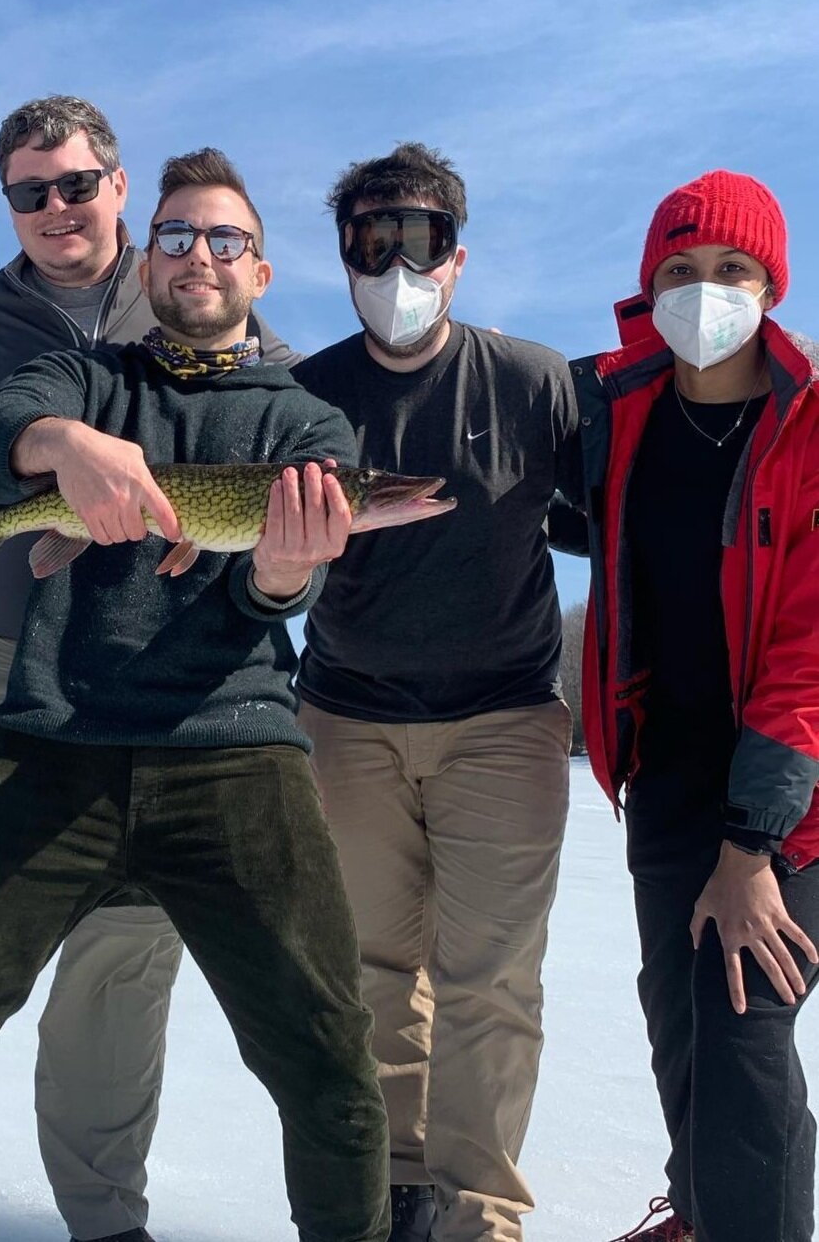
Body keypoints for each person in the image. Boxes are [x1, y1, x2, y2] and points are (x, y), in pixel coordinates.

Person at [0, 148, 390, 1242]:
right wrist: (65, 444)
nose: (200, 257)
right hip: (52, 740)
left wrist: (282, 571)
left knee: (324, 1046)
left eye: (225, 239)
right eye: (179, 236)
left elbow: (277, 591)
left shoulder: (309, 424)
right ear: (151, 256)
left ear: (260, 274)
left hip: (232, 750)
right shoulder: (89, 376)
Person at [292, 142, 578, 1242]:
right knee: (368, 971)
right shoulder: (306, 392)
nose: (394, 262)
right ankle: (393, 1185)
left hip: (504, 717)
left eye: (416, 238)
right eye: (371, 240)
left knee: (491, 980)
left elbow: (628, 510)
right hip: (346, 719)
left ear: (456, 255)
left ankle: (478, 1213)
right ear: (344, 254)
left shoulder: (532, 380)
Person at [571, 171, 819, 1242]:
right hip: (665, 770)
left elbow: (809, 657)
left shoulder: (808, 423)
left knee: (740, 1022)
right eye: (676, 270)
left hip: (788, 789)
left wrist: (750, 843)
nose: (701, 289)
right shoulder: (615, 416)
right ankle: (702, 1214)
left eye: (728, 270)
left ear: (769, 284)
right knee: (677, 1012)